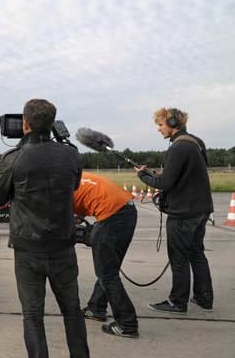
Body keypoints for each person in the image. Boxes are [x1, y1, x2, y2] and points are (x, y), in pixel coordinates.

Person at [0, 99, 90, 358]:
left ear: (25, 124)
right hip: (62, 245)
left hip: (28, 247)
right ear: (52, 123)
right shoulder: (70, 155)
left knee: (33, 314)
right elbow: (74, 185)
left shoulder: (13, 158)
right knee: (72, 309)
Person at [135, 107, 214, 314]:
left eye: (160, 125)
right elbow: (186, 175)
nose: (159, 129)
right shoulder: (196, 142)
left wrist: (143, 176)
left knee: (179, 257)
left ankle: (177, 302)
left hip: (183, 213)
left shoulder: (177, 148)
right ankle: (204, 298)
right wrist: (156, 174)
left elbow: (165, 183)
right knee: (197, 253)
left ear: (171, 124)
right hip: (202, 209)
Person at [74, 172, 139, 338]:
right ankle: (96, 307)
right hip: (127, 210)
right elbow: (82, 202)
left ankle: (127, 323)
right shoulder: (75, 175)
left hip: (112, 216)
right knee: (109, 268)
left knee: (107, 274)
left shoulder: (56, 188)